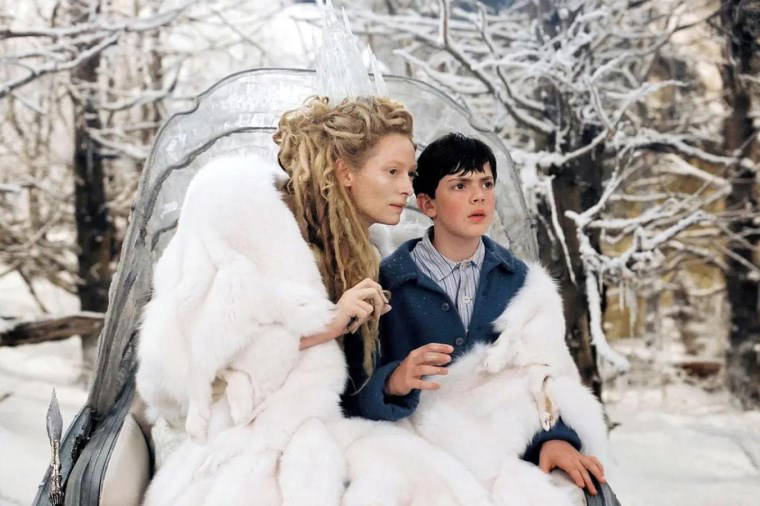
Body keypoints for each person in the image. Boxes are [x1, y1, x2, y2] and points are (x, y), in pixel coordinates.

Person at [342, 132, 608, 496]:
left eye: (486, 183)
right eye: (460, 185)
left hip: (505, 452)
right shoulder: (386, 283)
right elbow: (353, 391)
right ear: (428, 204)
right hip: (418, 454)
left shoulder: (521, 283)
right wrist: (393, 382)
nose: (479, 196)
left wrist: (554, 439)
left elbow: (545, 374)